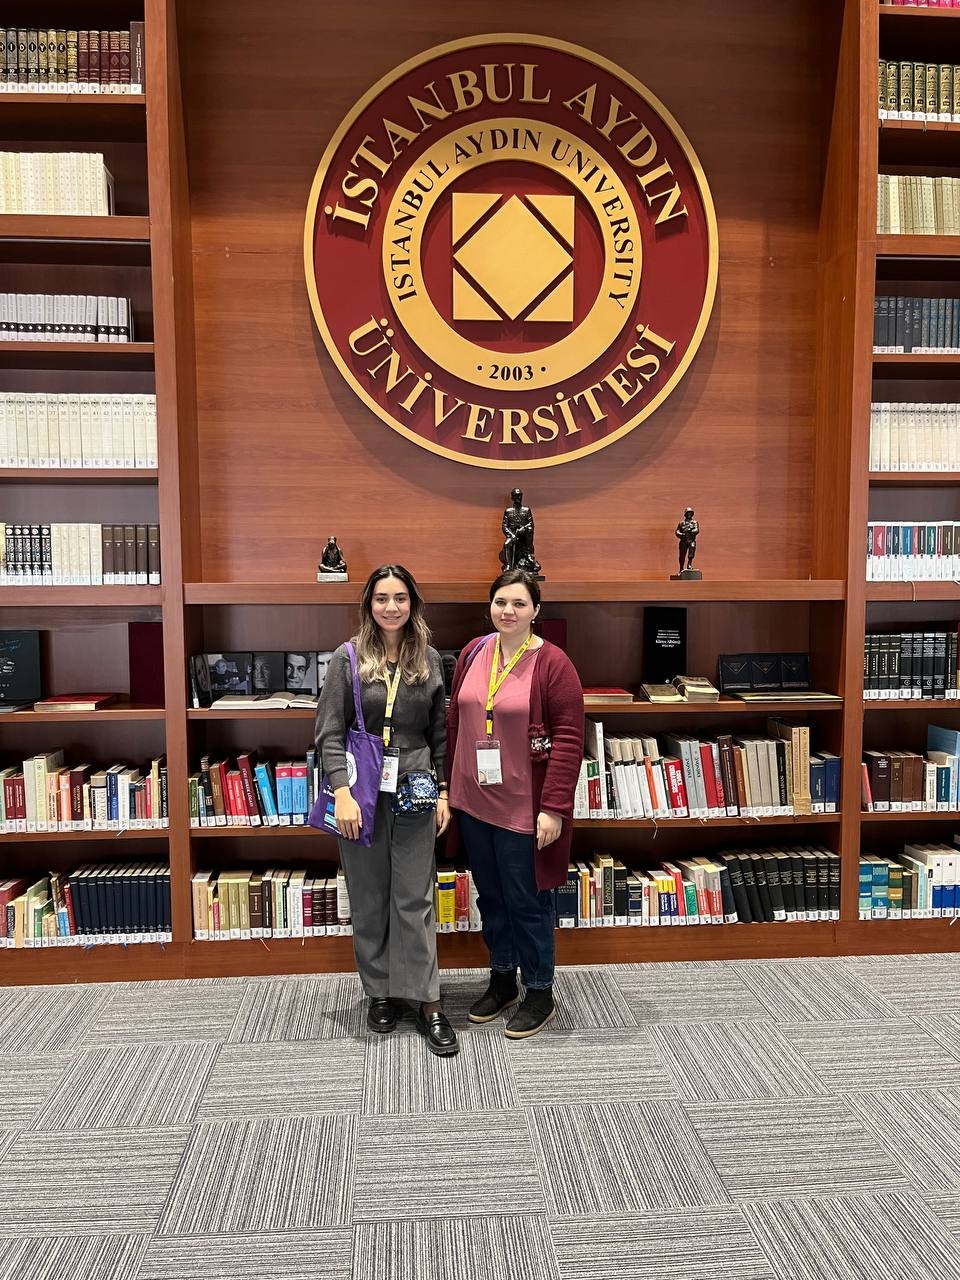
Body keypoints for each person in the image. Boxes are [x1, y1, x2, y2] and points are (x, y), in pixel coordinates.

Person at [315, 564, 457, 1056]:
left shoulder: (430, 658)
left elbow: (440, 733)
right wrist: (341, 792)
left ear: (412, 603)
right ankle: (379, 992)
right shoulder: (348, 657)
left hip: (415, 788)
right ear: (368, 604)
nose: (391, 607)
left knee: (415, 899)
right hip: (362, 793)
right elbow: (329, 732)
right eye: (382, 598)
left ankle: (427, 1000)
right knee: (370, 896)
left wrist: (443, 792)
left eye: (400, 598)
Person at [447, 569, 584, 1038]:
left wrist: (554, 808)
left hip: (524, 808)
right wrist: (448, 789)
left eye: (519, 603)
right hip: (472, 802)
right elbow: (455, 722)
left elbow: (569, 740)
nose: (508, 611)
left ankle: (539, 991)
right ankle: (502, 980)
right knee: (491, 897)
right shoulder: (473, 652)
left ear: (535, 611)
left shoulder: (553, 664)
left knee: (528, 901)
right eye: (501, 602)